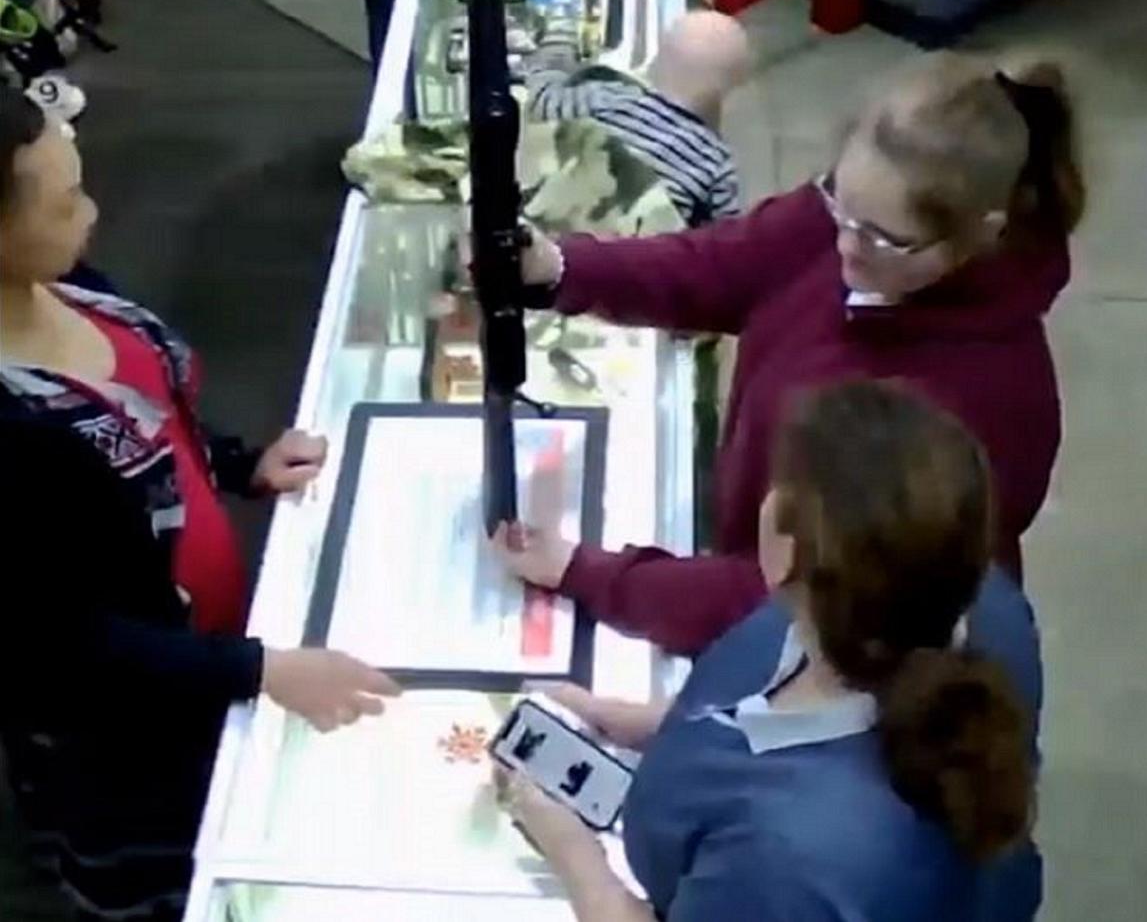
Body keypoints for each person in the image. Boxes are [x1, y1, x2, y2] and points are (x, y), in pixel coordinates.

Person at [495, 51, 1085, 655]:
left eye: (885, 239)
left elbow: (799, 605)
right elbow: (724, 265)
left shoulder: (971, 411)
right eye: (839, 205)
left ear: (982, 233)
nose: (846, 249)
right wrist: (559, 268)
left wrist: (591, 575)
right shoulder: (850, 224)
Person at [0, 86, 401, 921]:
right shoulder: (10, 434)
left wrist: (238, 463)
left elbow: (148, 406)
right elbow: (62, 647)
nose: (95, 211)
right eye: (67, 200)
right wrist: (262, 671)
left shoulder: (62, 279)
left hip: (197, 637)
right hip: (124, 723)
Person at [498, 381, 1040, 922]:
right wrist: (644, 723)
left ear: (787, 554)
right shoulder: (960, 594)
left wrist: (569, 845)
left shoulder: (787, 864)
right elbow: (767, 687)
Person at [526, 10, 750, 227]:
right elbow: (722, 243)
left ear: (654, 64)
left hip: (553, 235)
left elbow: (540, 102)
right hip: (636, 259)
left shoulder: (607, 98)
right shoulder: (716, 162)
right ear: (731, 91)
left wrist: (559, 35)